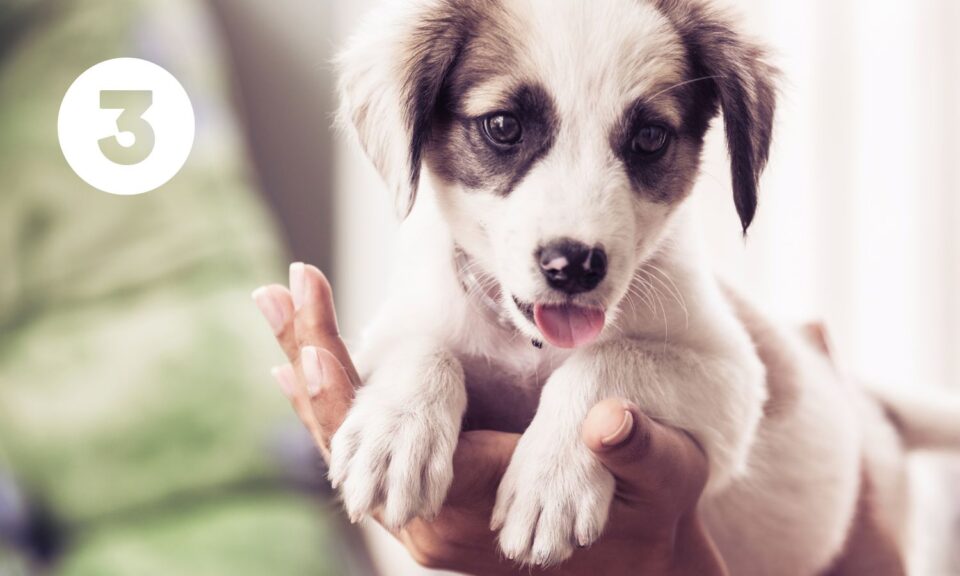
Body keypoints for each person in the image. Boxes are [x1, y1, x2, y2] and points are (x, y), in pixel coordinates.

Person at [253, 264, 906, 576]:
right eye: (503, 127)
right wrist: (412, 385)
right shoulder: (440, 284)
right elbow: (401, 347)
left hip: (844, 485)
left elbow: (730, 386)